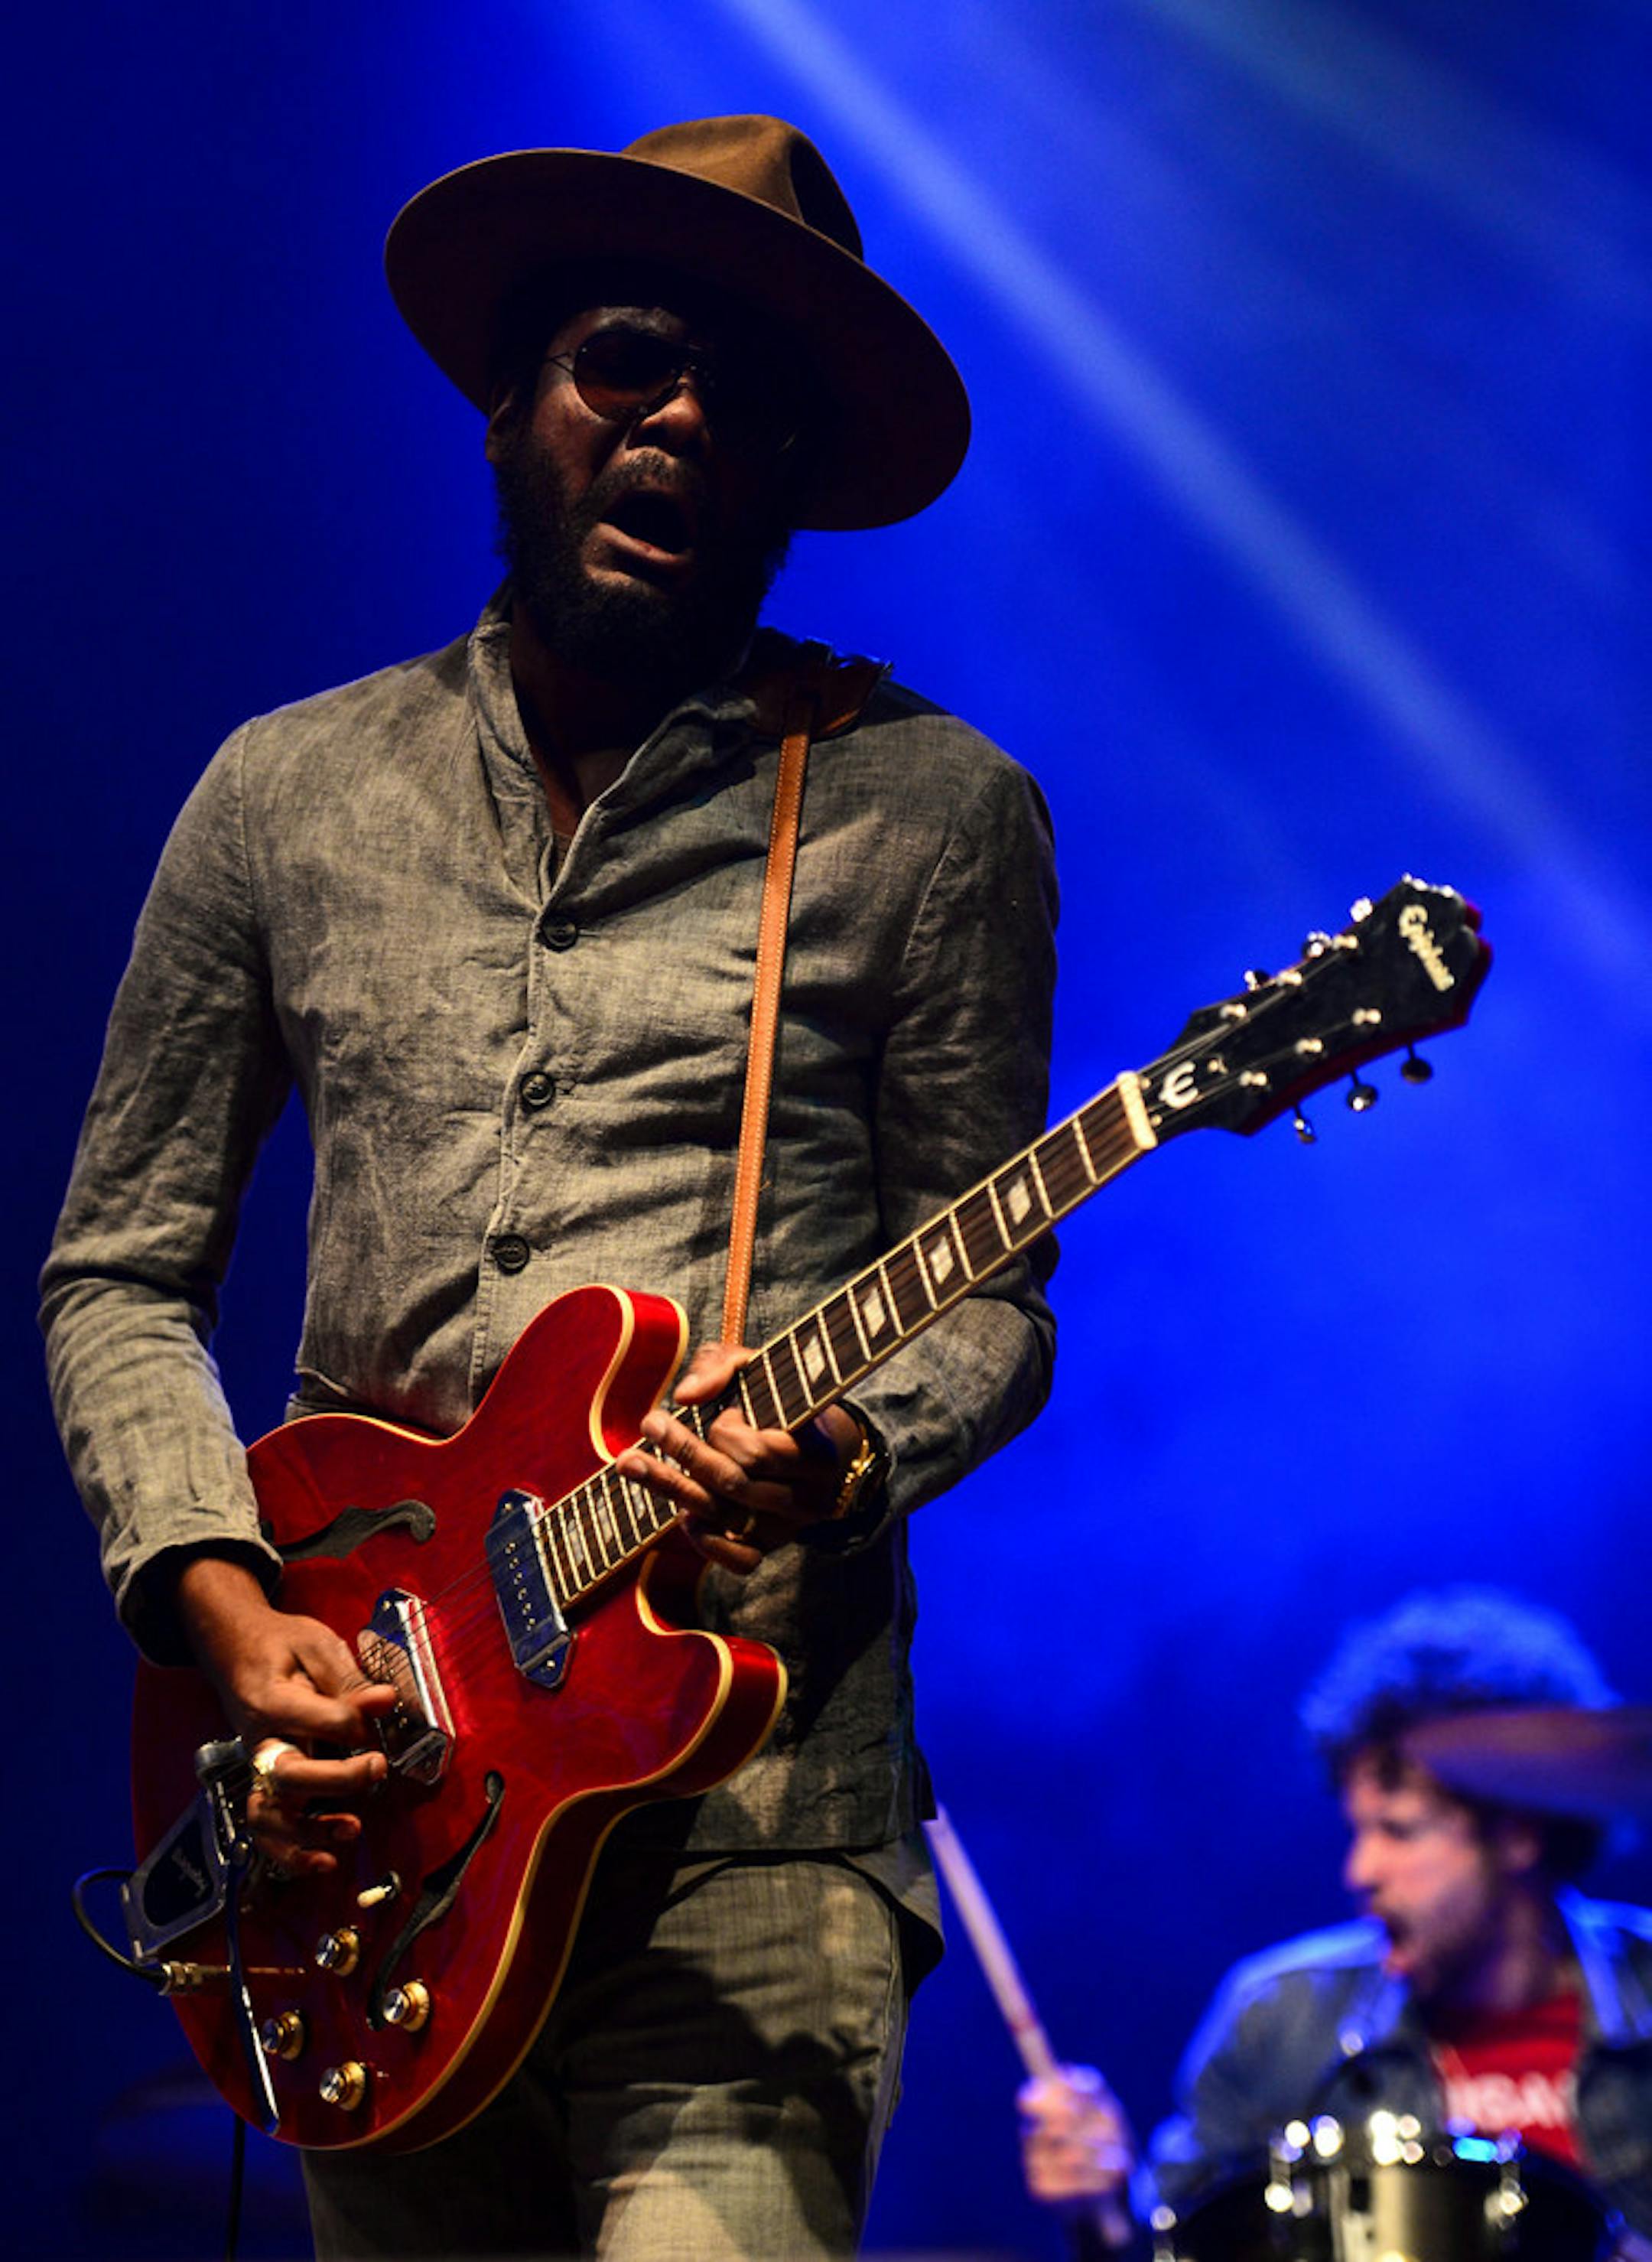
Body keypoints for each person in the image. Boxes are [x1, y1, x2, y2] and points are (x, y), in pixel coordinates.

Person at [42, 116, 1060, 2260]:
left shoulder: (931, 814)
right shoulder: (285, 793)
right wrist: (230, 1614)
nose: (680, 417)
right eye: (625, 361)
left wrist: (849, 1440)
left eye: (743, 397)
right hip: (381, 1801)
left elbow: (993, 1300)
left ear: (792, 472)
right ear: (513, 403)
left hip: (752, 1827)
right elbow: (119, 1269)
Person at [1019, 1589, 1652, 2254]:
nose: (1361, 1869)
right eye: (1359, 1830)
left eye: (1399, 1831)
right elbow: (1170, 2248)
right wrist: (1104, 2216)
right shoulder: (1279, 2016)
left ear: (1520, 1830)